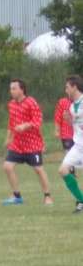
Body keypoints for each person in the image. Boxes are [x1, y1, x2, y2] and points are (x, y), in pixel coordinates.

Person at [2, 79, 53, 206]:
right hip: (17, 144)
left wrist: (25, 125)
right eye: (10, 88)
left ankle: (47, 196)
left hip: (32, 144)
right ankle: (17, 196)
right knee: (7, 167)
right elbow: (11, 123)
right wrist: (8, 138)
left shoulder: (31, 102)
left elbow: (38, 121)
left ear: (22, 89)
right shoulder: (11, 104)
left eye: (14, 88)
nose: (11, 91)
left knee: (38, 169)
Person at [57, 76, 83, 213]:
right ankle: (81, 200)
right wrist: (69, 120)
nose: (65, 89)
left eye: (67, 87)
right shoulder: (72, 107)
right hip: (78, 146)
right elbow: (76, 126)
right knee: (63, 170)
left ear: (75, 87)